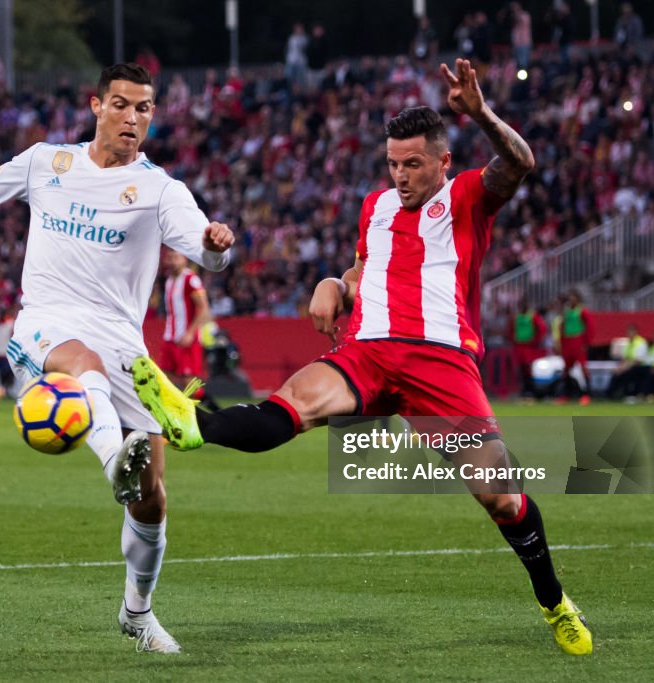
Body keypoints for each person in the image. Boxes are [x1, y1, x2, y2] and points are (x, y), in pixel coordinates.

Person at [132, 59, 592, 655]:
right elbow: (362, 271)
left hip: (440, 363)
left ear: (442, 161)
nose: (400, 176)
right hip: (367, 353)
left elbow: (521, 163)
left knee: (501, 496)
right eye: (393, 164)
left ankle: (555, 603)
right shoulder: (374, 207)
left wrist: (478, 112)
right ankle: (194, 424)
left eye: (413, 164)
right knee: (290, 405)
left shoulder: (467, 196)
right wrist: (336, 283)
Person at [0, 63, 235, 654]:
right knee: (83, 364)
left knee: (153, 497)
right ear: (96, 105)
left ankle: (137, 612)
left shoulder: (160, 189)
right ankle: (111, 457)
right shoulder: (48, 162)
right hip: (46, 325)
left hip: (126, 345)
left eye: (143, 108)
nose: (131, 117)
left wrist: (214, 245)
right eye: (120, 104)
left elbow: (205, 250)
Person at [161, 249, 218, 410]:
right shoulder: (169, 280)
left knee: (190, 386)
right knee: (165, 381)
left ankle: (215, 411)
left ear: (184, 259)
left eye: (176, 257)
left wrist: (190, 333)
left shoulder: (191, 280)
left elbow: (204, 309)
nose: (172, 261)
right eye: (169, 257)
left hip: (186, 339)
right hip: (170, 338)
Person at [555, 289, 592, 405]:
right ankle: (566, 395)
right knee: (566, 369)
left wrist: (586, 343)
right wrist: (561, 343)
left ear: (578, 298)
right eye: (570, 297)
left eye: (573, 297)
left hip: (578, 341)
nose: (571, 299)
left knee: (583, 368)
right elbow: (562, 327)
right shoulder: (566, 312)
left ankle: (586, 395)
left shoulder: (582, 311)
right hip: (568, 342)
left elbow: (590, 327)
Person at [509, 298, 547, 398]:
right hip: (519, 346)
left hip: (529, 347)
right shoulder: (516, 317)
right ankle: (524, 391)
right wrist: (513, 340)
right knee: (520, 369)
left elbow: (542, 329)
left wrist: (535, 341)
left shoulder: (533, 316)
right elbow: (510, 330)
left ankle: (532, 391)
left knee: (529, 369)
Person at [606, 324, 649, 400]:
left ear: (635, 332)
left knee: (627, 373)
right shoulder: (628, 343)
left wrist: (624, 368)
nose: (629, 334)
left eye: (631, 332)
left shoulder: (641, 342)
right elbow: (625, 358)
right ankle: (610, 394)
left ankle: (629, 394)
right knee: (616, 374)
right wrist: (619, 368)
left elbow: (638, 360)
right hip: (629, 366)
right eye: (628, 332)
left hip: (640, 367)